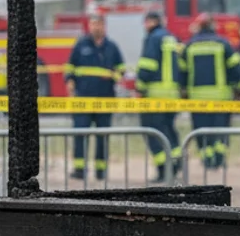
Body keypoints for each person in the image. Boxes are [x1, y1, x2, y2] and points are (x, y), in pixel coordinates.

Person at [65, 15, 126, 181]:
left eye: (99, 24)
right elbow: (70, 67)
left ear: (104, 26)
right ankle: (79, 169)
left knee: (102, 137)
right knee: (80, 134)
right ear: (89, 26)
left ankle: (101, 171)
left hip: (105, 100)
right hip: (83, 101)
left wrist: (115, 75)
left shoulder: (111, 47)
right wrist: (69, 81)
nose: (96, 27)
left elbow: (121, 69)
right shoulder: (80, 45)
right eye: (93, 24)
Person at [179, 13, 240, 169]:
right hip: (221, 97)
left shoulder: (189, 46)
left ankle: (207, 159)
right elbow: (235, 68)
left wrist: (183, 91)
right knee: (221, 128)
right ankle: (220, 157)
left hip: (197, 98)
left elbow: (182, 72)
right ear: (214, 26)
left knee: (201, 130)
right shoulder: (223, 44)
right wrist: (239, 88)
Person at [135, 11, 184, 182]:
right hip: (172, 96)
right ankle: (177, 163)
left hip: (155, 96)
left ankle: (163, 169)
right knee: (169, 129)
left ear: (151, 22)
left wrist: (139, 87)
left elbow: (147, 66)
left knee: (153, 132)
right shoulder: (171, 38)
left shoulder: (152, 38)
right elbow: (182, 66)